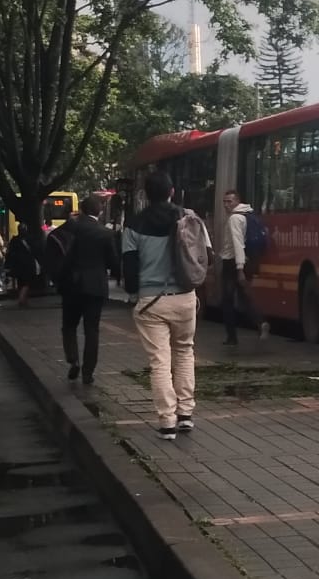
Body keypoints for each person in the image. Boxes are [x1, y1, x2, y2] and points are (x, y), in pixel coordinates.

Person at [123, 171, 209, 440]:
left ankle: (167, 422)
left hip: (151, 301)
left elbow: (129, 269)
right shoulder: (189, 217)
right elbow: (206, 254)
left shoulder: (134, 224)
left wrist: (135, 291)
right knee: (184, 352)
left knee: (159, 361)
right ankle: (186, 414)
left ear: (146, 194)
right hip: (185, 298)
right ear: (172, 192)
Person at [55, 194, 120, 384]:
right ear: (99, 211)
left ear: (82, 210)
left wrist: (60, 279)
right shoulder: (105, 233)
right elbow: (113, 262)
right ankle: (88, 372)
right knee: (92, 330)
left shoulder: (71, 229)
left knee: (69, 326)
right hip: (96, 287)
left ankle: (73, 359)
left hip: (72, 286)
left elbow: (65, 258)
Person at [219, 189, 269, 346]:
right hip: (245, 262)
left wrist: (239, 269)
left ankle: (231, 337)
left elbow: (238, 244)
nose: (227, 205)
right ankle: (260, 323)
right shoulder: (248, 215)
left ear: (237, 202)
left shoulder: (235, 218)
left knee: (227, 301)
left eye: (230, 201)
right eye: (225, 202)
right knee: (243, 298)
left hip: (233, 264)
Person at [5, 231, 38, 307]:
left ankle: (23, 299)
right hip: (27, 264)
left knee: (21, 282)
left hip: (17, 265)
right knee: (27, 283)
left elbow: (10, 252)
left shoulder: (14, 240)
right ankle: (21, 299)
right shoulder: (30, 239)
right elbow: (35, 250)